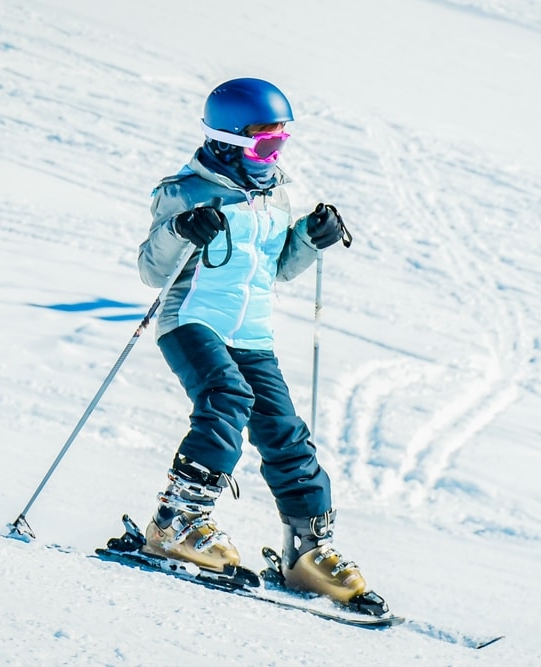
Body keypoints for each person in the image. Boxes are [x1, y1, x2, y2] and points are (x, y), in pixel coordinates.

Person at [136, 77, 384, 613]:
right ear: (229, 139)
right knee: (226, 398)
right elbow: (152, 271)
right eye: (265, 142)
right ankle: (176, 521)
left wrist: (308, 240)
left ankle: (307, 550)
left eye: (281, 141)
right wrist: (182, 228)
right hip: (192, 319)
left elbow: (277, 270)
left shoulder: (278, 196)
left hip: (252, 333)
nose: (275, 153)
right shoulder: (184, 191)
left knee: (283, 430)